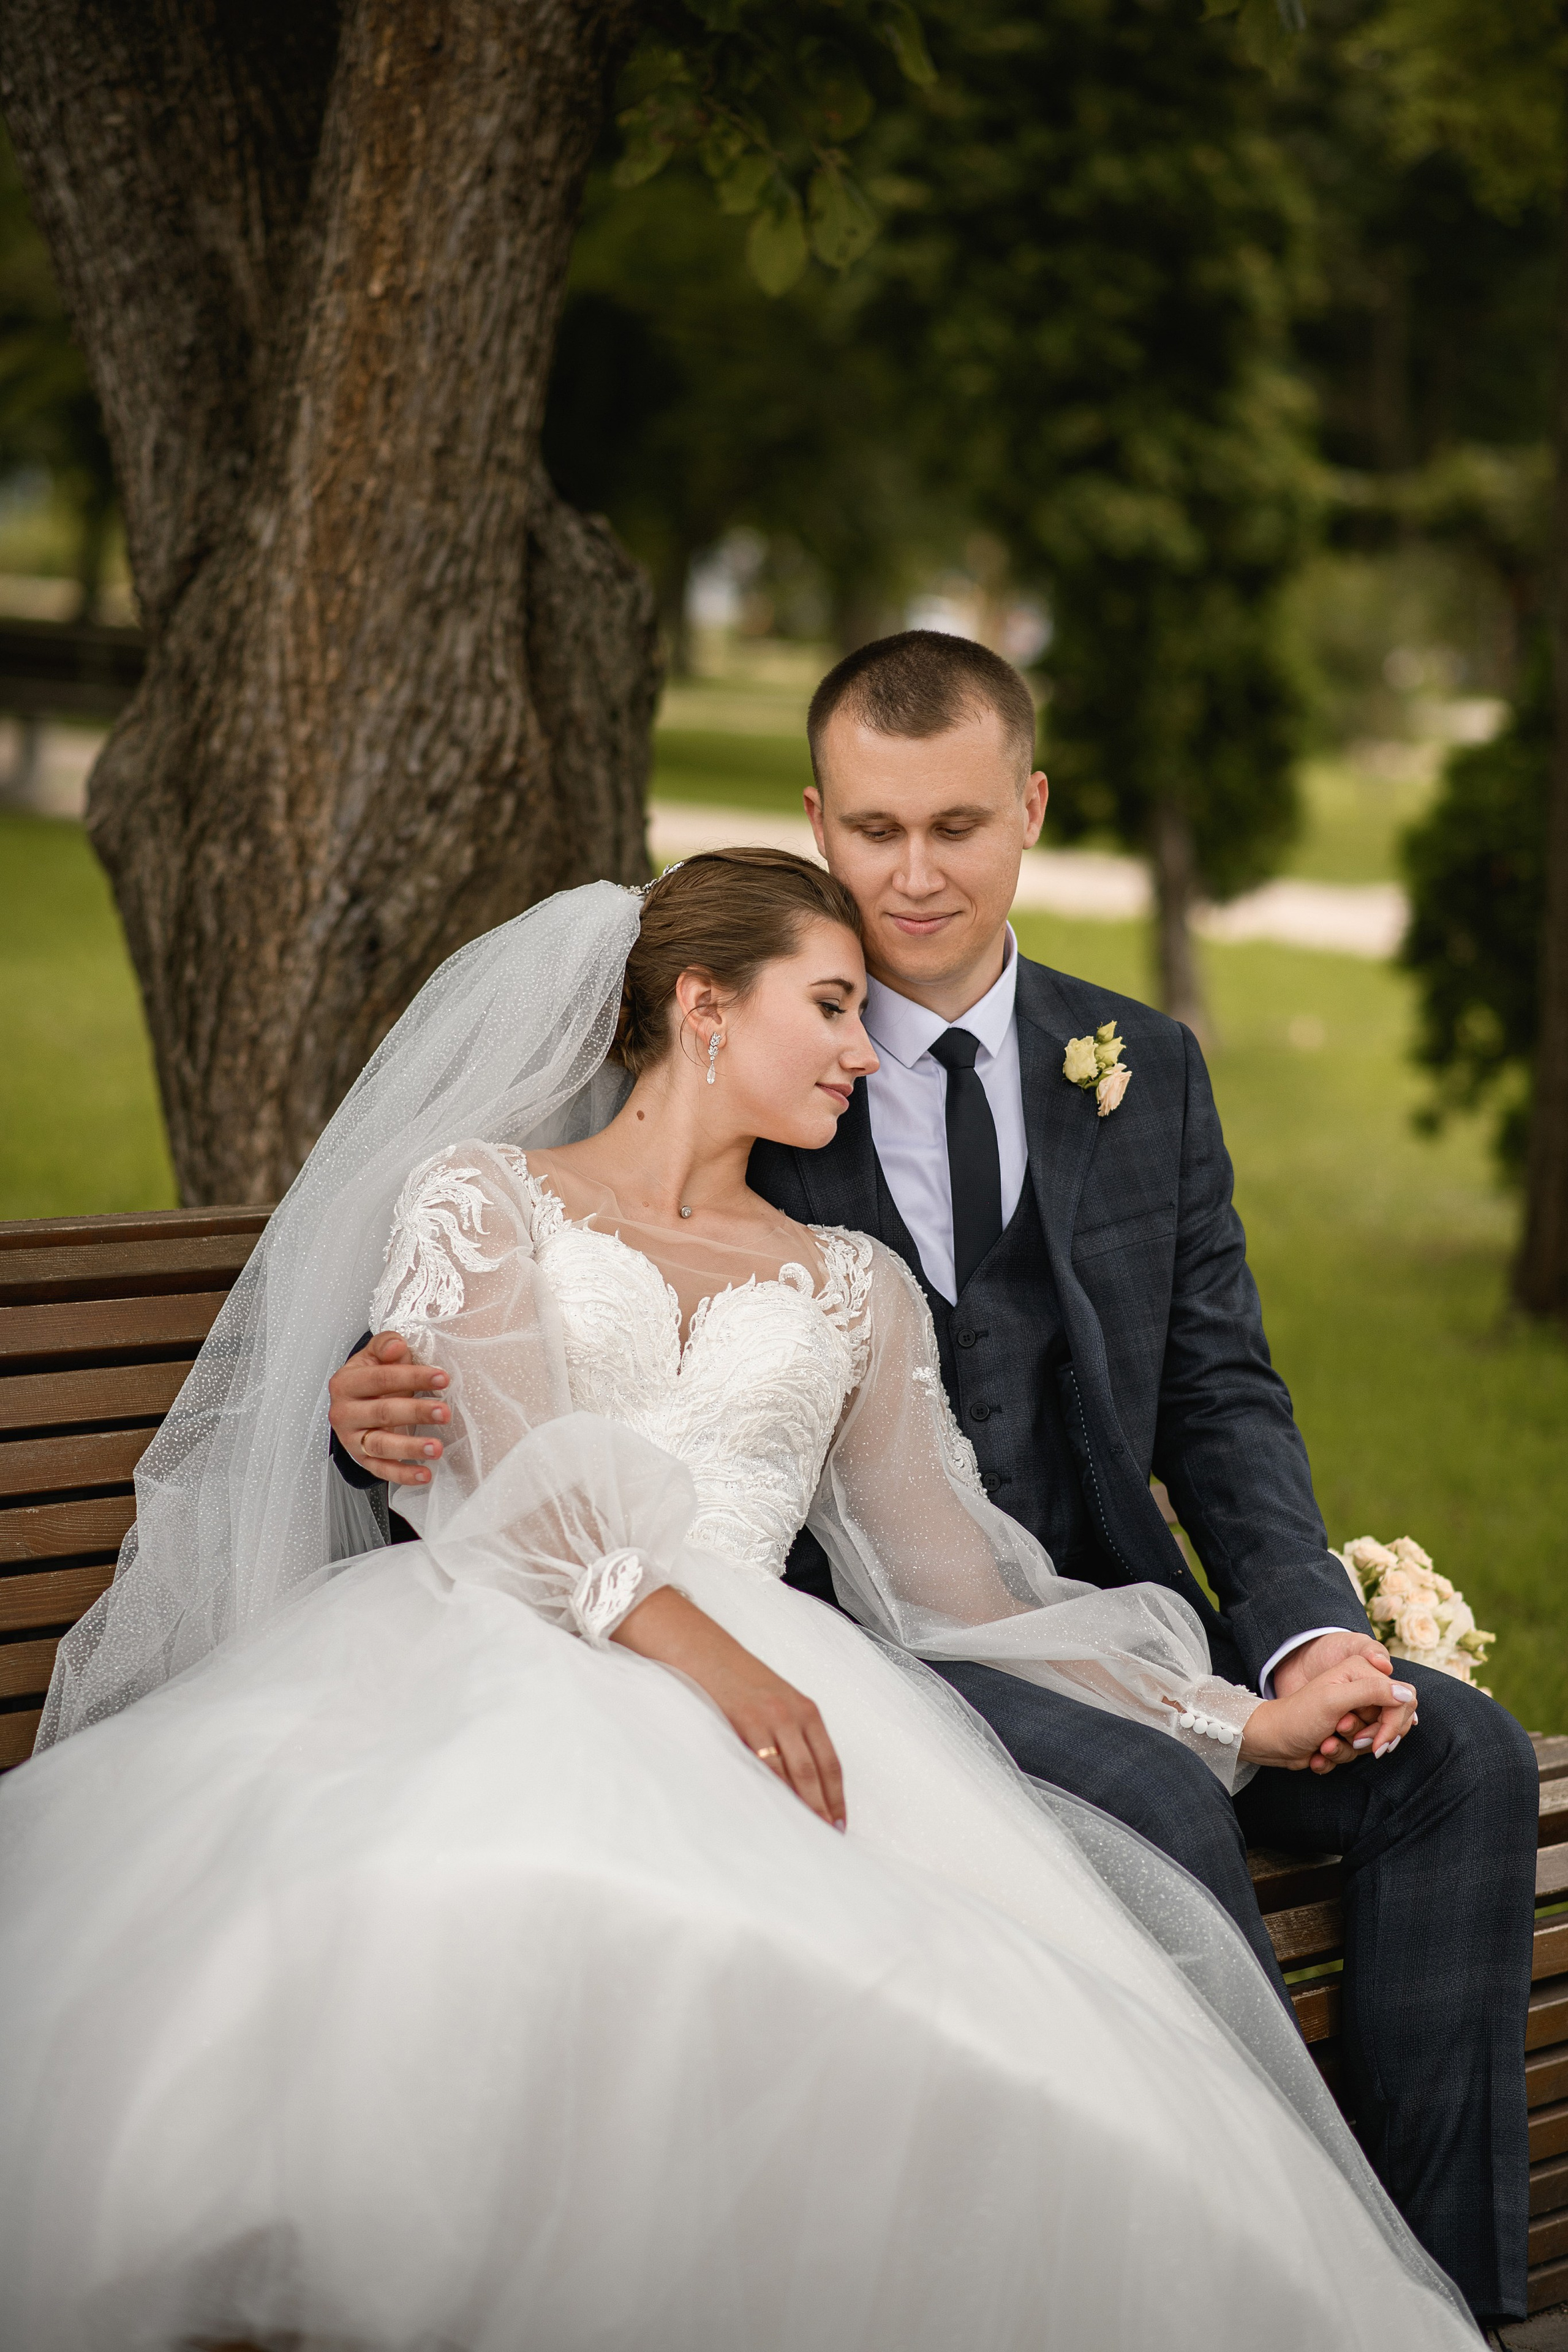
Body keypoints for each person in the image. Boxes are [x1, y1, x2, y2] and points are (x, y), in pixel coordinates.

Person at [0, 852, 1476, 2350]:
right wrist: (723, 1667)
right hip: (495, 1654)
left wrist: (1242, 1720)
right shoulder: (484, 1195)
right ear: (702, 1006)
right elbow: (505, 1480)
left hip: (781, 1695)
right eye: (831, 1006)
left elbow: (958, 1589)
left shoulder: (848, 1283)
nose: (860, 1045)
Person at [331, 633, 1539, 2330]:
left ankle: (1443, 2298)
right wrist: (374, 1400)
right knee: (1158, 1798)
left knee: (1458, 1761)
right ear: (819, 818)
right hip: (850, 1649)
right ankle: (1265, 2274)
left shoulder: (1143, 1065)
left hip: (1072, 1618)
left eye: (958, 827)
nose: (911, 875)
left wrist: (1300, 1644)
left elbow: (1222, 1397)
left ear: (1030, 812)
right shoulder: (757, 1040)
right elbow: (526, 1306)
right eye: (875, 830)